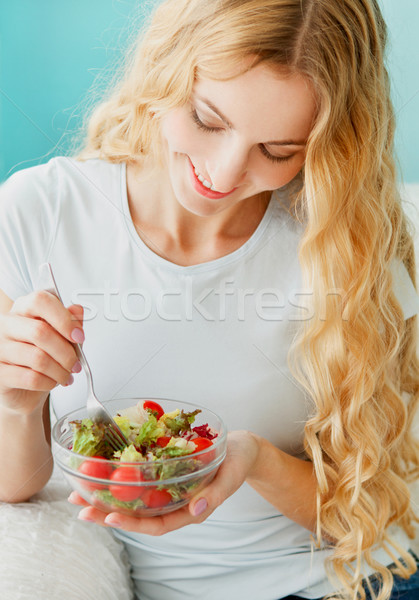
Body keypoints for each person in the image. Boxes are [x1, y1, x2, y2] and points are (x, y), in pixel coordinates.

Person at [0, 0, 418, 599]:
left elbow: (376, 514)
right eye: (208, 119)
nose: (222, 175)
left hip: (352, 583)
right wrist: (16, 403)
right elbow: (14, 489)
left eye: (277, 152)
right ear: (167, 70)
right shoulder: (39, 213)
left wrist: (257, 462)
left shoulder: (348, 240)